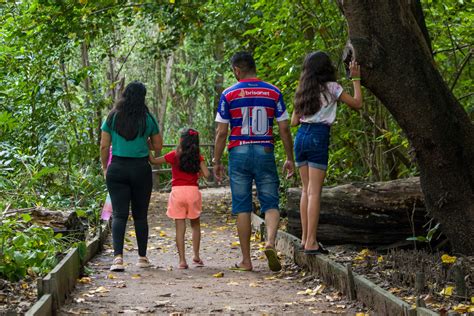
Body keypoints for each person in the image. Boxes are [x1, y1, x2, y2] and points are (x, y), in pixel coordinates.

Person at [213, 52, 295, 272]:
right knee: (271, 201)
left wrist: (216, 161)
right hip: (264, 149)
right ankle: (269, 241)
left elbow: (222, 132)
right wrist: (290, 157)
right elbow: (284, 128)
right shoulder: (273, 92)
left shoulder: (229, 94)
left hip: (238, 151)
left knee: (242, 206)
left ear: (237, 70)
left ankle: (246, 260)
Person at [291, 51, 363, 255]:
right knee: (314, 192)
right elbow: (357, 103)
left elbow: (294, 121)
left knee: (306, 190)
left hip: (301, 137)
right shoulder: (332, 88)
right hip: (318, 136)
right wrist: (356, 78)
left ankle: (305, 239)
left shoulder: (303, 90)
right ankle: (312, 242)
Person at [100, 81, 163, 271]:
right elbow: (158, 146)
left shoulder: (112, 117)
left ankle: (117, 259)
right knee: (140, 215)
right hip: (140, 169)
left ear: (125, 94)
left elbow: (104, 146)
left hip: (117, 168)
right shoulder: (147, 118)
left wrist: (105, 167)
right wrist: (143, 143)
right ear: (143, 97)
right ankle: (142, 258)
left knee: (119, 215)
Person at [149, 128, 210, 269]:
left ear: (181, 140)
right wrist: (198, 173)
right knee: (195, 226)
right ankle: (196, 256)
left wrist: (147, 146)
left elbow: (153, 160)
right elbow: (207, 174)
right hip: (193, 192)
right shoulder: (197, 157)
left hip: (177, 193)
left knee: (179, 228)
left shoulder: (174, 155)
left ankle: (182, 261)